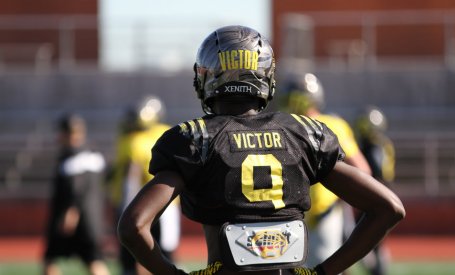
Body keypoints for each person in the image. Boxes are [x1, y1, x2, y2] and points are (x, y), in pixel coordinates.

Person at [118, 25, 405, 275]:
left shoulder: (196, 138)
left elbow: (132, 226)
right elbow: (389, 208)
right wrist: (324, 272)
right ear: (266, 78)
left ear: (206, 78)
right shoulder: (304, 133)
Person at [279, 72, 372, 270]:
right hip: (295, 216)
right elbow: (363, 170)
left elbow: (362, 169)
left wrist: (337, 200)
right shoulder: (286, 127)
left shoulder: (327, 124)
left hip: (318, 215)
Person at [109, 96, 180, 275]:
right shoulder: (168, 133)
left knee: (135, 251)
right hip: (168, 200)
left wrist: (124, 206)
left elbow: (129, 178)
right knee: (164, 251)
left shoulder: (131, 141)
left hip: (140, 202)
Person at [43, 113, 110, 275]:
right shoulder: (95, 155)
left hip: (72, 219)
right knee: (94, 260)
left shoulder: (70, 157)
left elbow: (75, 188)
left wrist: (71, 212)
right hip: (93, 218)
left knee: (50, 259)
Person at [354, 106, 396, 275]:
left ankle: (377, 269)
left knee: (366, 238)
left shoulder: (376, 147)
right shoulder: (384, 144)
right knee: (373, 239)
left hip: (375, 196)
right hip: (382, 194)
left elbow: (378, 172)